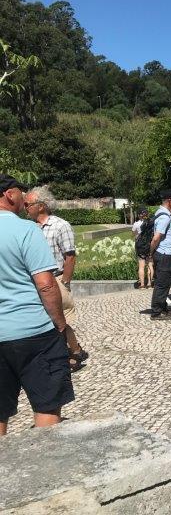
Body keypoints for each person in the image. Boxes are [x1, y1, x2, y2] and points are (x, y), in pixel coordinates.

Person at [0, 174, 74, 435]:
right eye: (21, 191)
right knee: (46, 407)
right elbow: (45, 284)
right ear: (10, 194)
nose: (23, 197)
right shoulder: (25, 229)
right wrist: (60, 325)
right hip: (34, 332)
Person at [24, 187, 89, 372]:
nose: (25, 208)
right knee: (51, 320)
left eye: (28, 204)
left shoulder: (60, 225)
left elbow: (70, 255)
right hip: (39, 281)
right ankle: (73, 350)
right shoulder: (31, 228)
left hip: (56, 278)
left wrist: (65, 281)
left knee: (60, 319)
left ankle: (71, 355)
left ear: (41, 206)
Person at [149, 190, 171, 321]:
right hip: (164, 254)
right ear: (170, 200)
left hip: (166, 253)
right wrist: (150, 252)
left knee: (164, 282)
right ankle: (157, 312)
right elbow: (156, 238)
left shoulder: (161, 213)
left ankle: (162, 307)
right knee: (162, 283)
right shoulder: (164, 217)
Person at [132, 209, 153, 289]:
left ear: (138, 215)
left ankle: (142, 285)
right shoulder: (151, 223)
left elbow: (134, 234)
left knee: (141, 266)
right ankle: (150, 284)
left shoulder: (136, 224)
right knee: (150, 265)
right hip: (149, 245)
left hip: (140, 246)